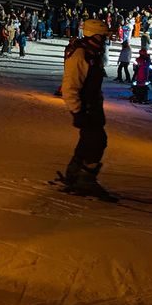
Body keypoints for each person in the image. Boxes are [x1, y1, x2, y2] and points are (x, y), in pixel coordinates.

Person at [60, 19, 111, 196]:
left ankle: (74, 174)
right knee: (97, 141)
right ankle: (85, 179)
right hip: (85, 107)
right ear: (93, 35)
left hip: (92, 105)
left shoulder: (92, 53)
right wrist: (77, 111)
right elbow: (70, 86)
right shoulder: (81, 55)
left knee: (88, 140)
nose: (105, 40)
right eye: (103, 36)